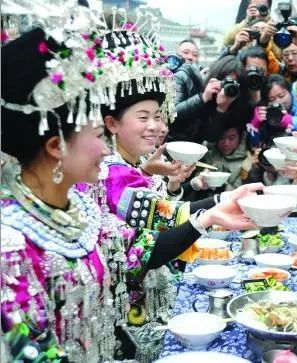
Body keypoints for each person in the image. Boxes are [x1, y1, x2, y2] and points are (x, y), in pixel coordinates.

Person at [0, 9, 262, 363]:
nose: (102, 147)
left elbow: (136, 252)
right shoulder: (10, 247)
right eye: (96, 134)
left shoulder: (84, 211)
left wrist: (210, 215)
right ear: (54, 147)